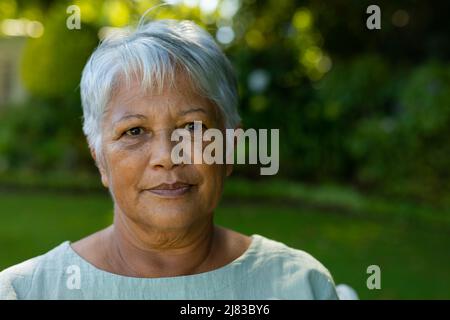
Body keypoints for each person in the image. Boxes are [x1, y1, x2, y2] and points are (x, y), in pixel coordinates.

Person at [0, 19, 338, 300]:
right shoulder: (27, 292)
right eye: (134, 131)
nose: (166, 157)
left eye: (192, 127)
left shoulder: (298, 286)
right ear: (100, 159)